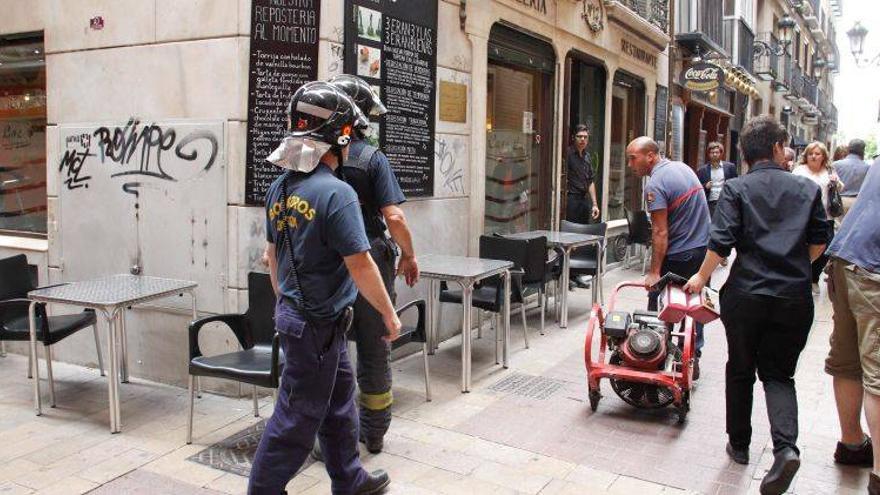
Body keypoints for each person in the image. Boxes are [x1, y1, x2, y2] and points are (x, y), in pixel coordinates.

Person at [249, 81, 400, 495]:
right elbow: (361, 264)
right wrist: (388, 314)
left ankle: (349, 479)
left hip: (309, 320)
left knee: (338, 404)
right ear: (340, 137)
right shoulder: (339, 194)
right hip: (317, 325)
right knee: (295, 419)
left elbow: (272, 257)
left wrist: (288, 304)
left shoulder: (279, 189)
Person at [684, 115, 830, 495]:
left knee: (741, 368)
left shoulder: (735, 189)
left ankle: (740, 444)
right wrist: (795, 266)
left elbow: (721, 243)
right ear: (778, 148)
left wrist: (701, 277)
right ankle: (785, 449)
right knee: (780, 375)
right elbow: (819, 243)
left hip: (746, 295)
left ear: (745, 153)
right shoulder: (806, 190)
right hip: (793, 297)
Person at [327, 74, 419, 454]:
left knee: (328, 349)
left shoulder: (318, 160)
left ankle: (330, 431)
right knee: (374, 344)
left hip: (328, 264)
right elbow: (394, 218)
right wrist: (410, 255)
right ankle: (374, 432)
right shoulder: (372, 158)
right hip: (370, 263)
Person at [625, 136, 711, 379]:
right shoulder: (682, 167)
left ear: (650, 156)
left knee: (660, 303)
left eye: (633, 158)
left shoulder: (655, 184)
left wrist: (654, 273)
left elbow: (660, 232)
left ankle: (658, 351)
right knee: (694, 304)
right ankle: (693, 356)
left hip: (680, 254)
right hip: (701, 249)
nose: (631, 165)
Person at [824, 158, 880, 495]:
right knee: (877, 370)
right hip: (874, 265)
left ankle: (851, 443)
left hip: (847, 256)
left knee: (848, 358)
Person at [792, 142, 843, 294]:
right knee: (803, 246)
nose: (813, 156)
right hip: (803, 216)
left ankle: (814, 277)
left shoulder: (829, 170)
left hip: (825, 216)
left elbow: (841, 187)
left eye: (817, 153)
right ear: (806, 156)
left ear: (823, 156)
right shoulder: (799, 170)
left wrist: (835, 182)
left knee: (825, 248)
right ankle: (804, 276)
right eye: (810, 153)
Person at [696, 142, 738, 266]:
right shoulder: (702, 170)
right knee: (712, 229)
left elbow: (735, 183)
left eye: (717, 152)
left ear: (721, 153)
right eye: (712, 152)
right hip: (711, 203)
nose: (715, 154)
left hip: (726, 202)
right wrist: (705, 186)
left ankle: (724, 255)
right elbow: (697, 188)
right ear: (708, 154)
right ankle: (714, 255)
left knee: (725, 229)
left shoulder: (729, 167)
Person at [565, 124, 600, 224]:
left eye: (585, 137)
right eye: (579, 136)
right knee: (571, 230)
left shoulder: (587, 156)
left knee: (584, 230)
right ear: (573, 137)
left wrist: (594, 204)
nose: (582, 139)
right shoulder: (568, 154)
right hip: (571, 199)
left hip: (584, 199)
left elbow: (590, 181)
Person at [833, 138, 870, 217]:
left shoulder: (836, 165)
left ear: (849, 149)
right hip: (858, 204)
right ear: (863, 151)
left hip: (838, 203)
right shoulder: (868, 168)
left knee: (837, 228)